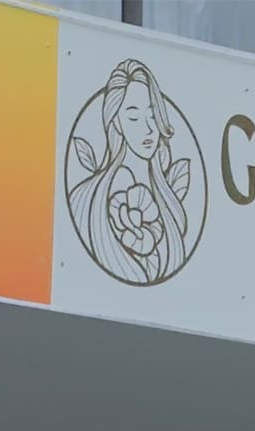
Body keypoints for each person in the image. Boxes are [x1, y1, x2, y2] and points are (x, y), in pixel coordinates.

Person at [69, 59, 194, 284]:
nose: (148, 128)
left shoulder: (166, 197)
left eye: (152, 115)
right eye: (134, 117)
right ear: (116, 122)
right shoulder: (88, 198)